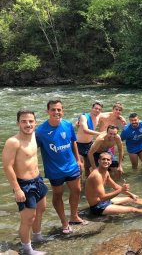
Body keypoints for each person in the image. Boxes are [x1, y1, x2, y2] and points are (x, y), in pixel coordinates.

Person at [35, 99, 86, 235]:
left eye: (59, 109)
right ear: (48, 111)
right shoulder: (40, 131)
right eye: (53, 109)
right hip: (54, 169)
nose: (56, 112)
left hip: (71, 165)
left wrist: (78, 160)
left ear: (62, 111)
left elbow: (73, 142)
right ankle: (64, 222)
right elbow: (32, 150)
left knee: (76, 190)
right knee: (58, 194)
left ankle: (74, 216)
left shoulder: (68, 125)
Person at [2, 110, 47, 255]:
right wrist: (17, 189)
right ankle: (27, 249)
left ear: (35, 122)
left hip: (38, 179)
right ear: (18, 123)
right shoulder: (13, 142)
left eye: (30, 121)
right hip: (24, 184)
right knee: (28, 219)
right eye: (24, 121)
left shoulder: (35, 135)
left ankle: (37, 236)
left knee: (41, 209)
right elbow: (7, 166)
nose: (28, 124)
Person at [85, 152, 142, 216]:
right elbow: (102, 197)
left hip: (105, 202)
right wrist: (121, 190)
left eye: (108, 160)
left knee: (131, 199)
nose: (106, 161)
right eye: (103, 159)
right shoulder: (96, 175)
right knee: (132, 209)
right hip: (97, 207)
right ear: (99, 161)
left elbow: (115, 186)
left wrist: (131, 194)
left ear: (111, 162)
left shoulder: (105, 172)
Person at [76, 102, 103, 177]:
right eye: (96, 108)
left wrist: (121, 118)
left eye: (99, 109)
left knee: (88, 167)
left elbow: (111, 113)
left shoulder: (98, 116)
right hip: (79, 144)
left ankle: (87, 183)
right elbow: (85, 130)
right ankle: (79, 184)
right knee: (80, 167)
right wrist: (100, 133)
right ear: (92, 108)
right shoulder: (84, 117)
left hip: (89, 144)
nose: (97, 110)